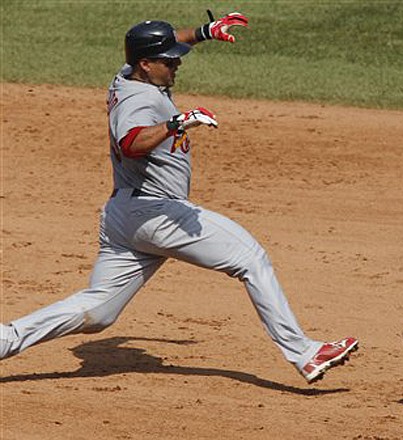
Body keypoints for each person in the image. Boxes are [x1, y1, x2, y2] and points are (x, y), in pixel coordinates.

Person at [0, 14, 358, 384]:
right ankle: (304, 352)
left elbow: (166, 40)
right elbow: (131, 142)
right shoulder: (138, 101)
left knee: (99, 311)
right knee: (250, 258)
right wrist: (177, 123)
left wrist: (203, 33)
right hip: (159, 213)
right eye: (169, 61)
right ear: (146, 64)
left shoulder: (128, 74)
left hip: (125, 216)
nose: (177, 63)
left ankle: (4, 339)